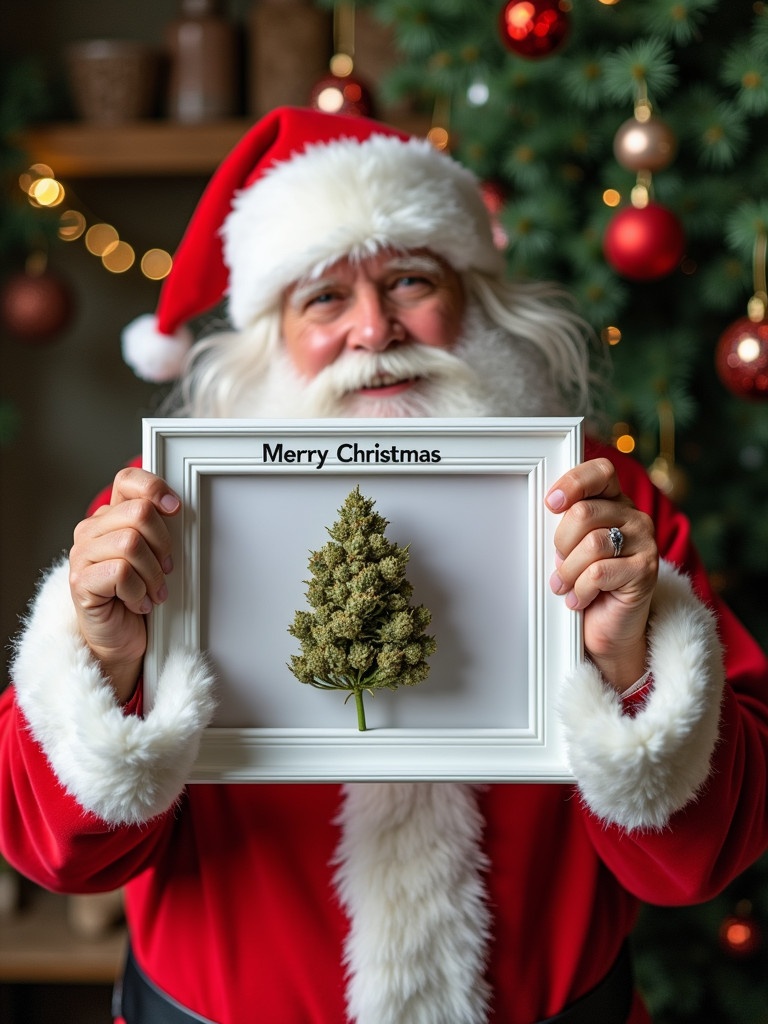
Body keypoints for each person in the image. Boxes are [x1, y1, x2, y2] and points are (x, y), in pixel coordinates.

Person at [1, 105, 767, 1024]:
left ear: (476, 302)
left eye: (409, 280)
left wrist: (637, 667)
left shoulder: (606, 512)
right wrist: (106, 666)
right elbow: (61, 856)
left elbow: (700, 861)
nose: (373, 329)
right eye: (323, 296)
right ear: (270, 337)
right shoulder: (152, 520)